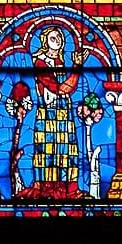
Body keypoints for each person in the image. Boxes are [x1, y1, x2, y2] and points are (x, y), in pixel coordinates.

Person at [24, 26, 86, 198]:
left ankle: (70, 190)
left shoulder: (59, 62)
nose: (57, 41)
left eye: (59, 37)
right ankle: (47, 190)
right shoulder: (40, 62)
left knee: (68, 151)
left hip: (65, 112)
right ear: (45, 42)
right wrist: (77, 67)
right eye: (53, 38)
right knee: (47, 151)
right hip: (48, 113)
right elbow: (60, 89)